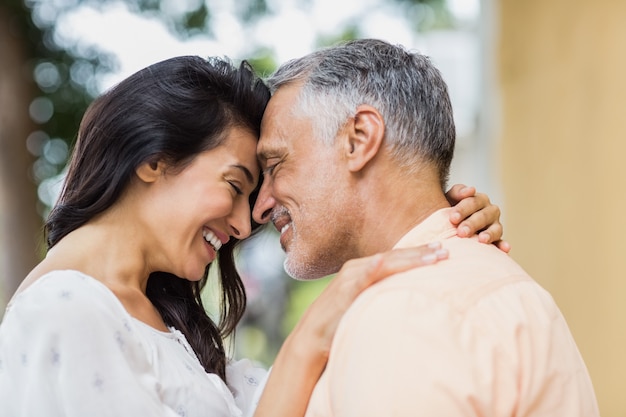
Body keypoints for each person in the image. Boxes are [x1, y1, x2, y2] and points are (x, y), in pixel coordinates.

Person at [0, 55, 504, 417]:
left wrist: (437, 222)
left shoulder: (162, 325)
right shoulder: (62, 311)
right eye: (236, 184)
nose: (245, 224)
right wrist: (314, 330)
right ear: (153, 159)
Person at [251, 39, 600, 416]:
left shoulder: (405, 313)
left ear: (359, 139)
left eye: (274, 165)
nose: (260, 206)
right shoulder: (510, 288)